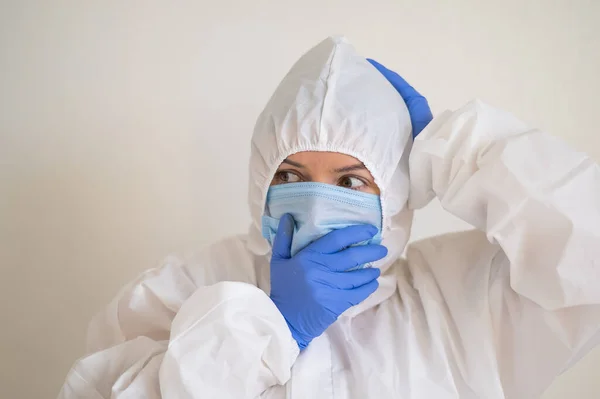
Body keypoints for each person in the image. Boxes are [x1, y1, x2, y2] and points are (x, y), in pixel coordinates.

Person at [58, 36, 600, 399]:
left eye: (350, 182)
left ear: (395, 190)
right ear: (260, 180)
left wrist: (460, 150)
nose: (316, 205)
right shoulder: (187, 289)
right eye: (291, 177)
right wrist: (269, 328)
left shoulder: (463, 301)